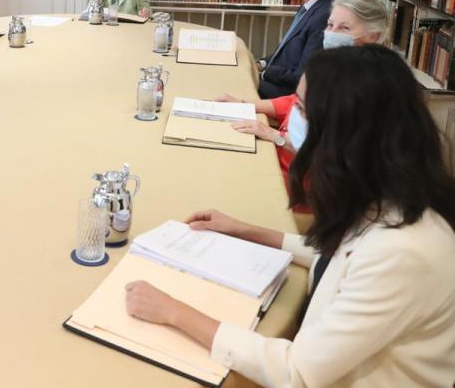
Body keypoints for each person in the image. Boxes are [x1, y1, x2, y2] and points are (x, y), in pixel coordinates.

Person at [125, 45, 455, 388]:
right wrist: (245, 230)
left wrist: (172, 311)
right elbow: (340, 258)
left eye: (300, 108)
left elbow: (295, 372)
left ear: (344, 134)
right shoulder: (388, 198)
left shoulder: (404, 252)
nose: (290, 118)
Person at [220, 0, 390, 187]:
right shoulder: (330, 64)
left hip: (305, 185)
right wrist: (246, 105)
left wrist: (274, 135)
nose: (332, 33)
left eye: (344, 28)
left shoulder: (368, 86)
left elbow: (335, 153)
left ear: (373, 36)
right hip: (281, 162)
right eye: (330, 25)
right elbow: (297, 100)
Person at [257, 0, 351, 99]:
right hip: (274, 82)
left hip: (287, 94)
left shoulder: (326, 16)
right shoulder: (310, 6)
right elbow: (285, 52)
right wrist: (261, 64)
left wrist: (265, 73)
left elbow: (304, 75)